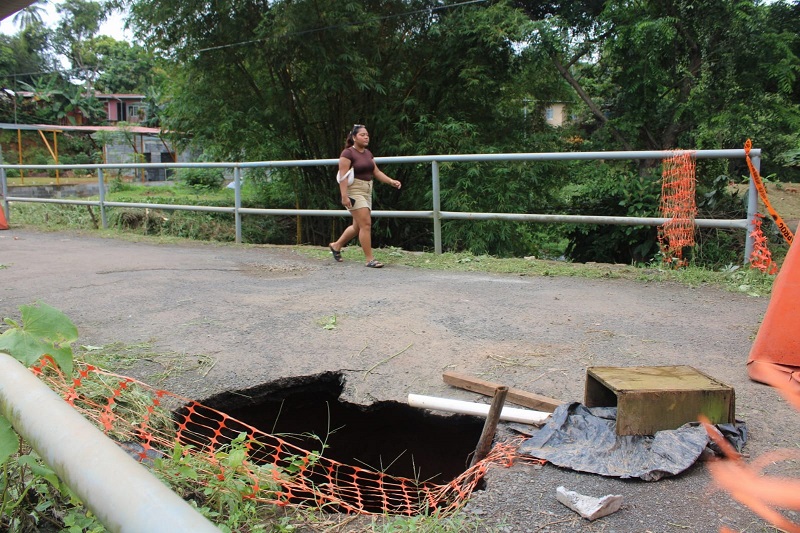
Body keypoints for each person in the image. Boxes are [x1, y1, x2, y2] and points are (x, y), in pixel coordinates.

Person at [328, 124, 401, 268]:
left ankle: (336, 245)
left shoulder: (367, 153)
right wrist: (344, 196)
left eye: (367, 134)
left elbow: (377, 172)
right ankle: (369, 259)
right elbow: (342, 177)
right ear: (354, 137)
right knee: (366, 224)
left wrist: (391, 181)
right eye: (362, 135)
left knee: (357, 226)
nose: (366, 137)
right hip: (354, 190)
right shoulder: (347, 153)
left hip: (367, 189)